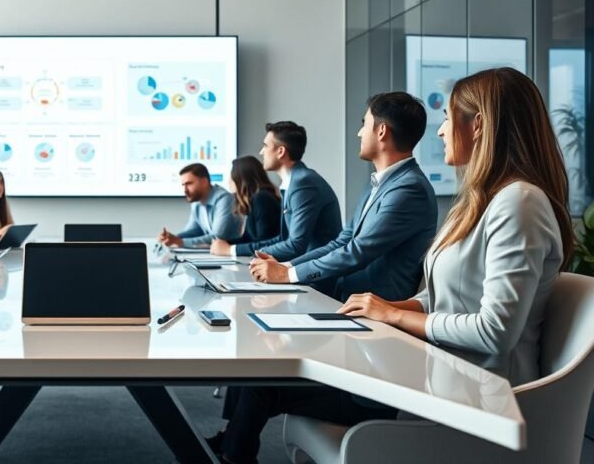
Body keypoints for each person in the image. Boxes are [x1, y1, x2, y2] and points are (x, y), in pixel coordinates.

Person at [214, 68, 572, 464]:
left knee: (265, 384)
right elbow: (442, 295)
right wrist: (392, 308)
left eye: (449, 119)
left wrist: (392, 315)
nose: (439, 132)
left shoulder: (518, 202)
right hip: (435, 370)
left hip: (467, 396)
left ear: (480, 124)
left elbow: (495, 332)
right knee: (266, 379)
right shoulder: (482, 202)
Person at [247, 92, 438, 303]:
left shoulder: (409, 189)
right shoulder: (380, 182)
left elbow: (357, 251)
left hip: (376, 312)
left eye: (365, 125)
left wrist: (286, 275)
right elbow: (343, 241)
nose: (359, 133)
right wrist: (286, 267)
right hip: (347, 299)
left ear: (381, 131)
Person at [212, 121, 341, 260]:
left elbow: (295, 245)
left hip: (314, 275)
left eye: (265, 146)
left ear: (280, 152)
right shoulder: (293, 182)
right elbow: (283, 239)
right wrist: (234, 250)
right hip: (302, 266)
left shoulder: (302, 183)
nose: (261, 152)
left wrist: (232, 250)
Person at [157, 163, 243, 249]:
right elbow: (194, 231)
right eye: (183, 185)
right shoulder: (196, 201)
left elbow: (218, 237)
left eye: (189, 184)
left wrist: (180, 241)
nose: (185, 190)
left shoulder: (224, 200)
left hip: (233, 256)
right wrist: (172, 238)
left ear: (204, 182)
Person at [223, 156, 281, 247]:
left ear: (242, 177)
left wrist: (229, 249)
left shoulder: (262, 199)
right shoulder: (254, 200)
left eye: (231, 175)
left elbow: (264, 241)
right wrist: (225, 244)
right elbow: (248, 239)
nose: (229, 181)